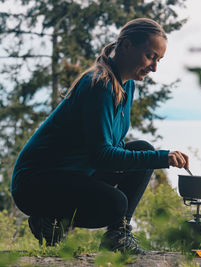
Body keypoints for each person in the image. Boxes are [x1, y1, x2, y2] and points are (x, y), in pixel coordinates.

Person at [10, 18, 189, 255]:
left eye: (158, 59)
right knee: (115, 203)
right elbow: (102, 156)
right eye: (150, 56)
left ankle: (118, 235)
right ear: (126, 46)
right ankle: (49, 217)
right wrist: (162, 158)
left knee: (141, 150)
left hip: (70, 175)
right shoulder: (99, 85)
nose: (154, 67)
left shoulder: (126, 85)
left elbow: (113, 148)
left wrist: (154, 157)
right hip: (35, 184)